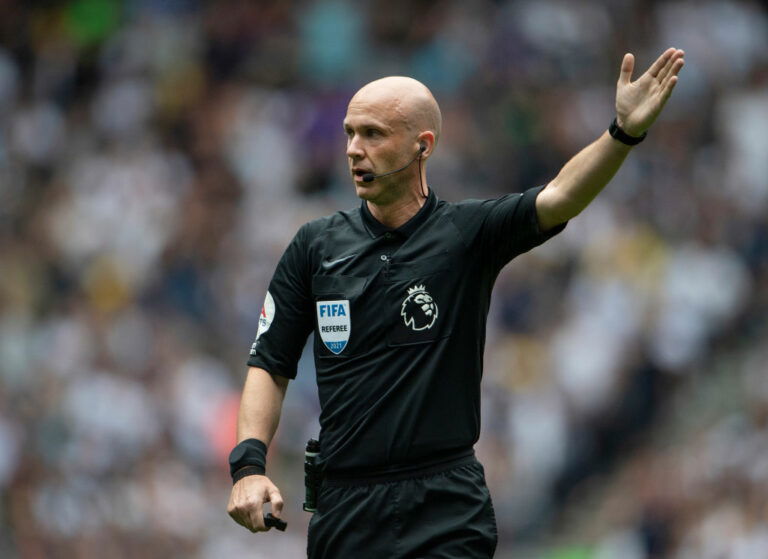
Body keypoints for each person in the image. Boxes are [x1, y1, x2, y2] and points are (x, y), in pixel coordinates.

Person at [227, 48, 685, 557]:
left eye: (373, 134)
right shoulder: (314, 247)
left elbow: (560, 197)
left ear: (423, 145)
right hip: (346, 508)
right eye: (350, 133)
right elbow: (269, 363)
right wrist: (249, 468)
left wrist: (622, 134)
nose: (354, 149)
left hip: (443, 505)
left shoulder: (466, 234)